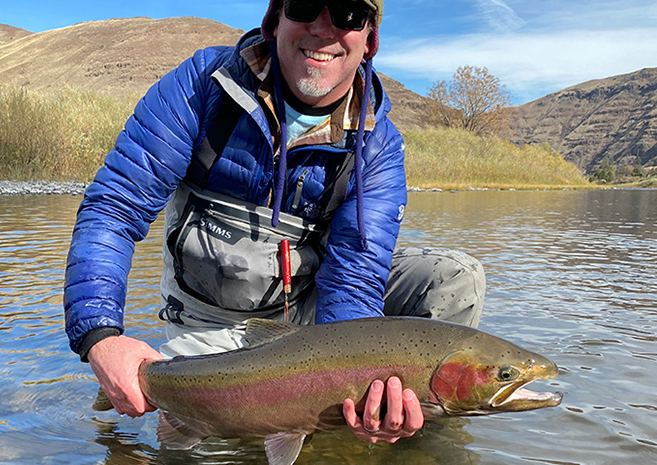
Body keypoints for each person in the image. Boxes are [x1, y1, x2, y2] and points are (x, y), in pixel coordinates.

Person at [64, 0, 485, 446]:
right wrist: (101, 337)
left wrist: (362, 389)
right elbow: (113, 208)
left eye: (346, 14)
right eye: (304, 4)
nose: (324, 29)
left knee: (455, 278)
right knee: (196, 450)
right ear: (273, 20)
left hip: (311, 312)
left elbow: (354, 279)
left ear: (369, 39)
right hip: (208, 317)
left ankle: (410, 441)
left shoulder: (377, 145)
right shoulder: (203, 87)